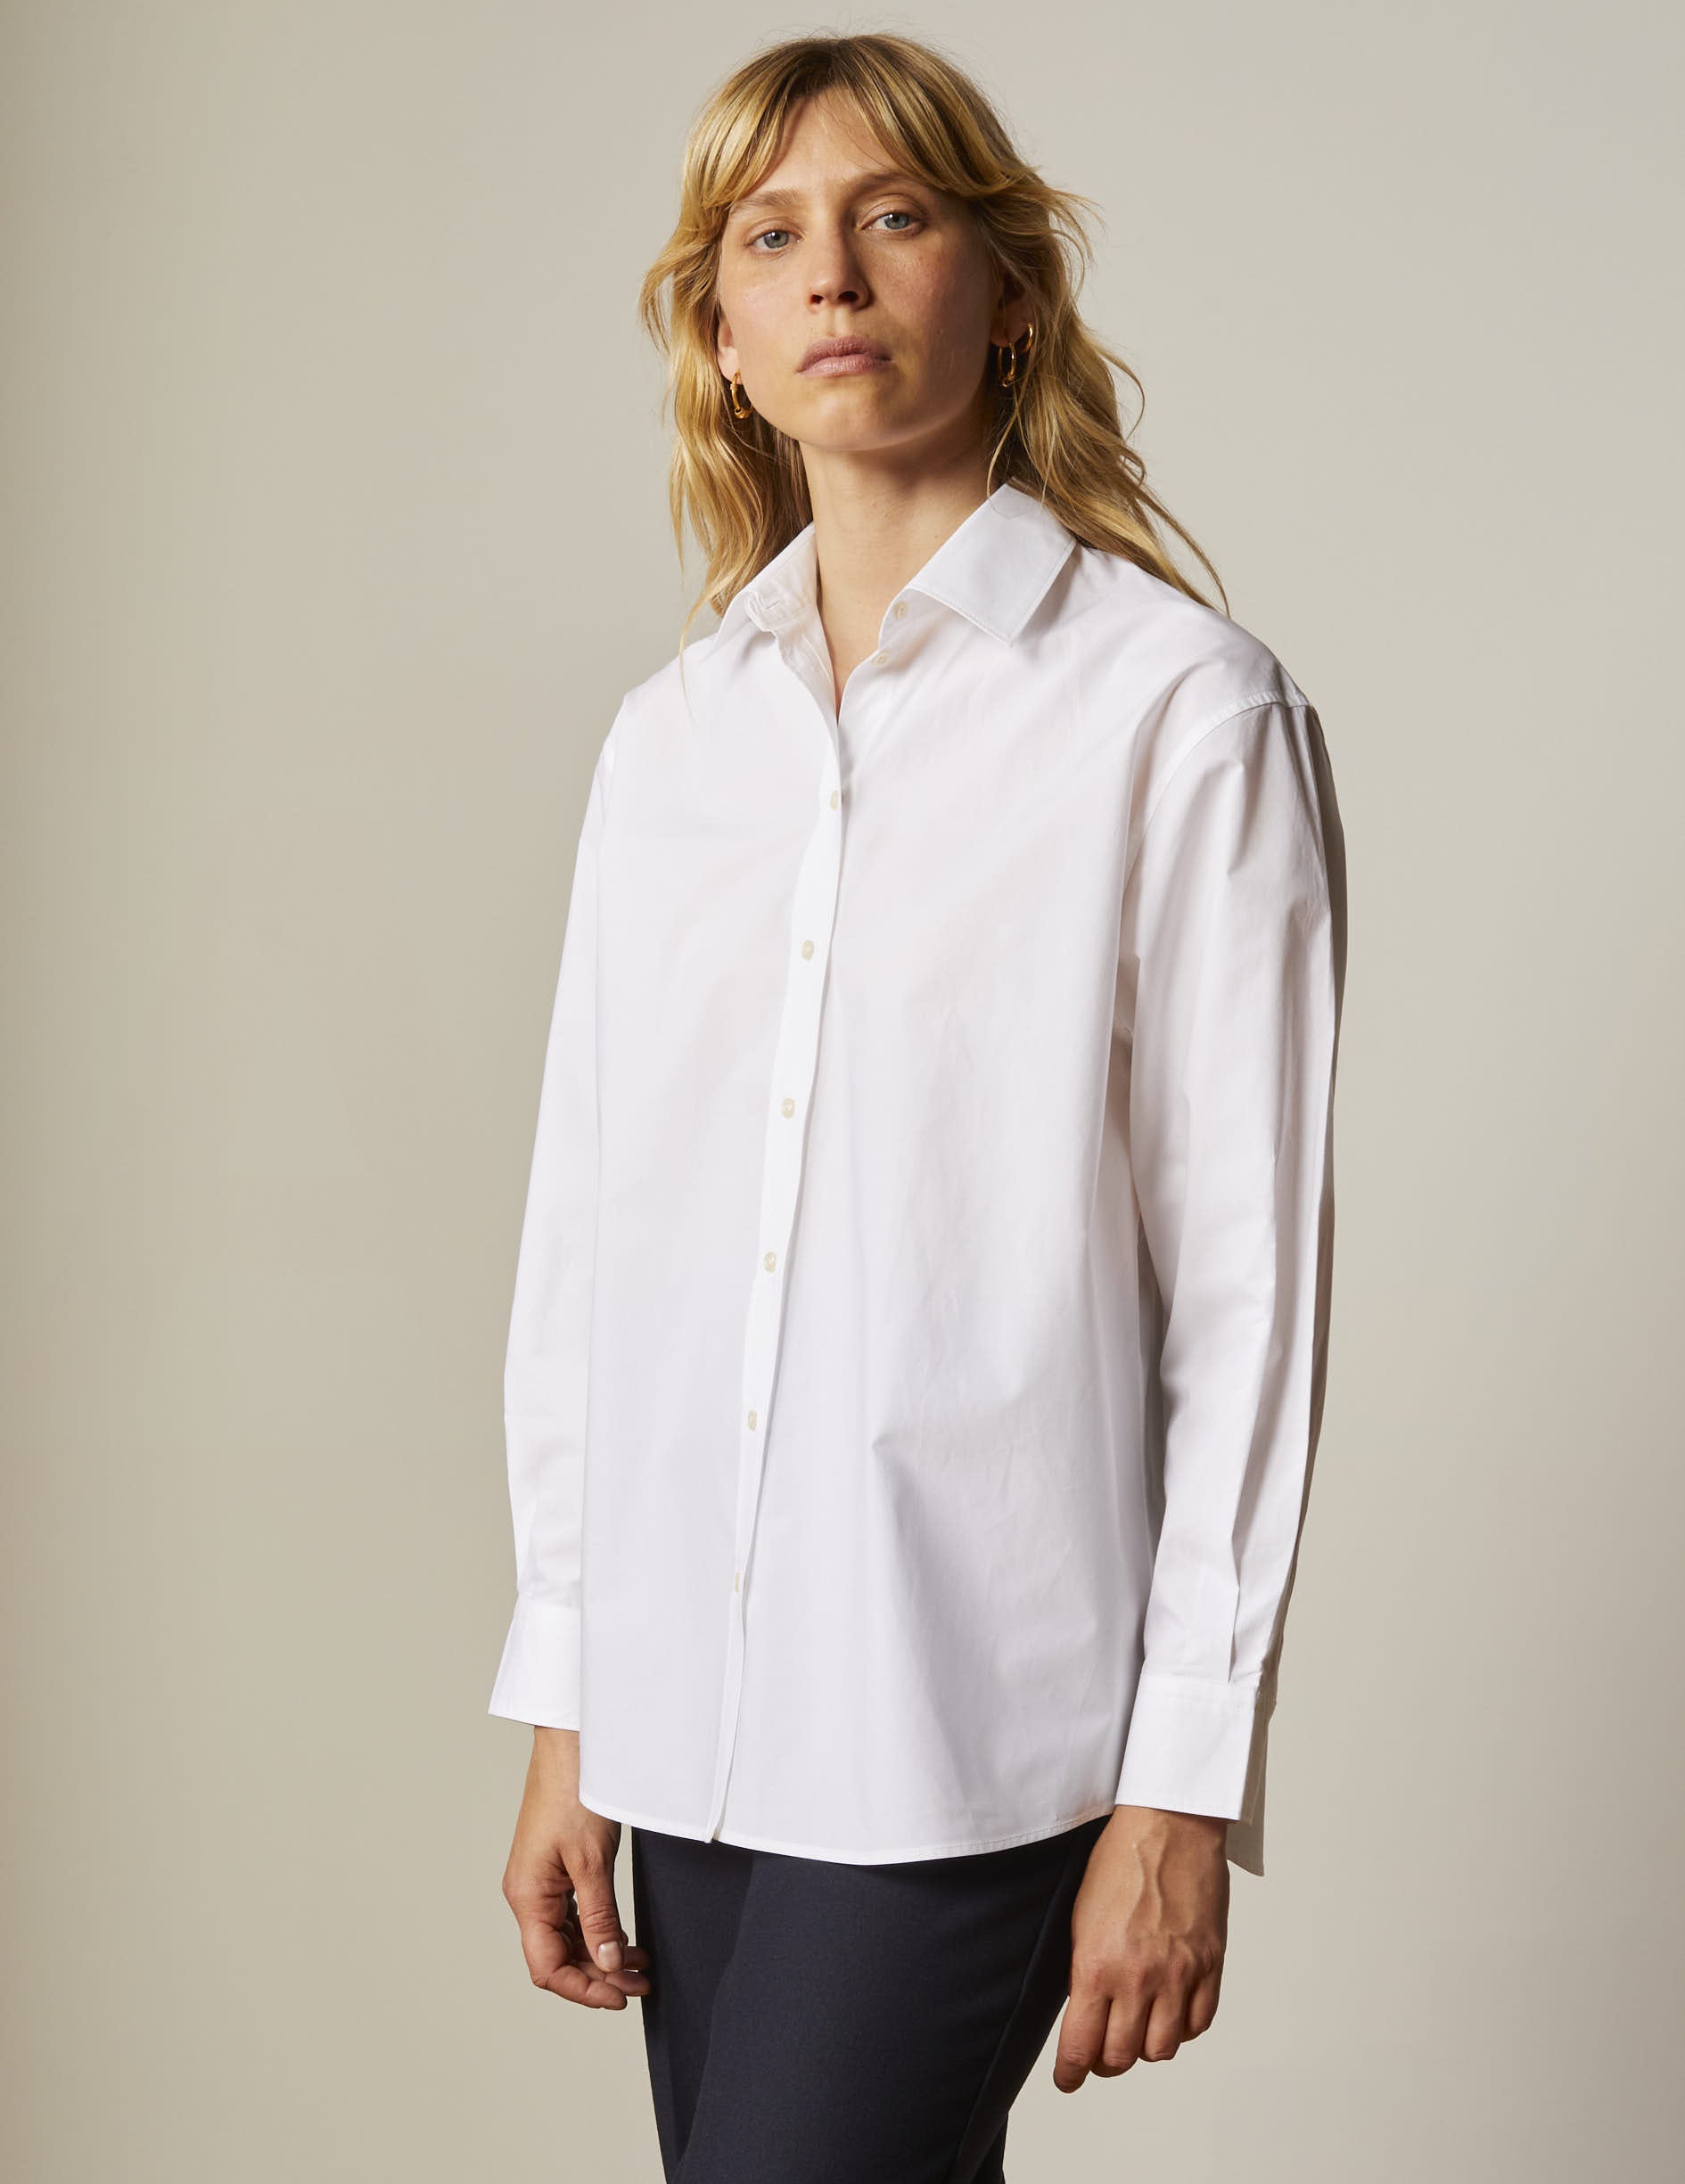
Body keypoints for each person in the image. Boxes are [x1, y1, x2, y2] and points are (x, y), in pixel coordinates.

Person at [489, 29, 1346, 2183]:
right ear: (723, 333)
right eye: (770, 236)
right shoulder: (672, 747)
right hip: (687, 1730)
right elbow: (594, 1246)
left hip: (975, 1726)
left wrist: (1184, 1782)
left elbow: (1247, 1290)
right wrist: (571, 1704)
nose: (833, 276)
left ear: (1011, 288)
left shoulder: (1180, 715)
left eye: (893, 216)